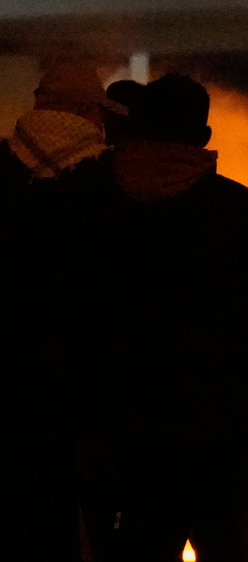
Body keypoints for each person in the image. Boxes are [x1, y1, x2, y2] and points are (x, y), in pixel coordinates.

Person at [88, 73, 248, 562]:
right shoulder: (236, 210)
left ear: (140, 125)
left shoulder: (96, 207)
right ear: (204, 137)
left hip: (126, 439)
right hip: (222, 435)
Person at [0, 60, 125, 562]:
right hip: (89, 372)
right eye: (97, 111)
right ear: (80, 109)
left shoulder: (4, 166)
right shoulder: (106, 175)